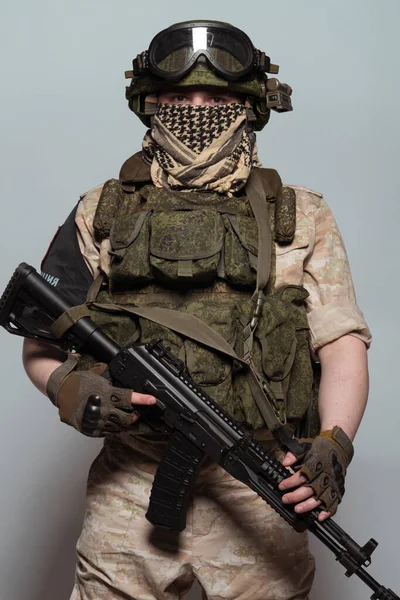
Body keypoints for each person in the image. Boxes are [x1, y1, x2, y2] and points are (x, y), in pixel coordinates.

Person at [23, 20, 371, 600]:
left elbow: (341, 345)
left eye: (217, 97)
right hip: (128, 491)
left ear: (251, 104)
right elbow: (42, 339)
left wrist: (334, 444)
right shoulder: (101, 210)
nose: (197, 108)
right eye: (179, 97)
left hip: (264, 487)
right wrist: (66, 387)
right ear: (150, 103)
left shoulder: (301, 214)